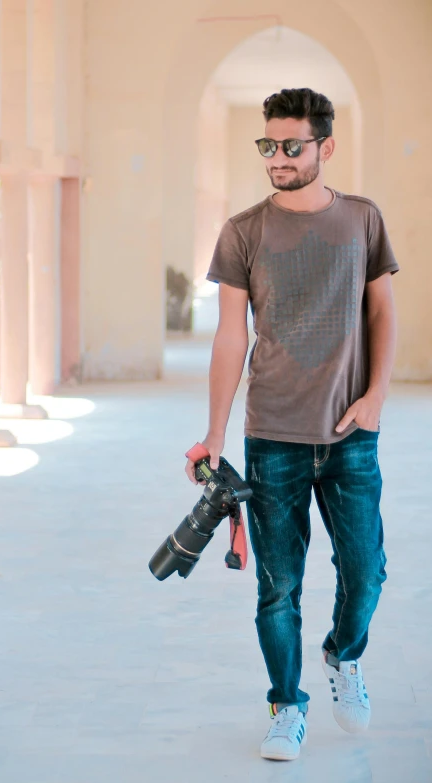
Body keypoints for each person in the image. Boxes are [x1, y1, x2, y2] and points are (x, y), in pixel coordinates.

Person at [185, 87, 399, 762]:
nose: (277, 157)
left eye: (291, 146)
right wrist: (216, 435)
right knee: (278, 584)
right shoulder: (244, 230)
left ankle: (344, 654)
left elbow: (383, 312)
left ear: (324, 147)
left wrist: (376, 397)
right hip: (272, 432)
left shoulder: (362, 220)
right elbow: (229, 337)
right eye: (268, 146)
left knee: (365, 572)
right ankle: (286, 705)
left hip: (350, 433)